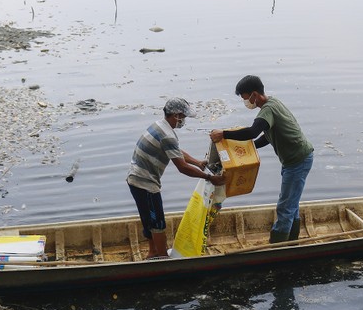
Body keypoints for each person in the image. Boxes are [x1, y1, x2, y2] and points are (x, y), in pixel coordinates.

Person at [210, 75, 313, 244]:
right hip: (295, 160)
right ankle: (292, 242)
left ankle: (278, 246)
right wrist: (247, 151)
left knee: (285, 206)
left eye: (245, 98)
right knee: (291, 203)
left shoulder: (268, 109)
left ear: (254, 95)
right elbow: (266, 137)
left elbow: (252, 132)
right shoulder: (272, 103)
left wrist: (224, 134)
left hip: (298, 161)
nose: (246, 102)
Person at [127, 97, 226, 259]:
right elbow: (182, 167)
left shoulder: (159, 126)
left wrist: (198, 163)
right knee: (157, 222)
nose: (184, 121)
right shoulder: (167, 135)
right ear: (176, 115)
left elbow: (177, 151)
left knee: (148, 218)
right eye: (183, 117)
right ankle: (162, 259)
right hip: (145, 184)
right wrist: (209, 177)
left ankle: (152, 252)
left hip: (134, 180)